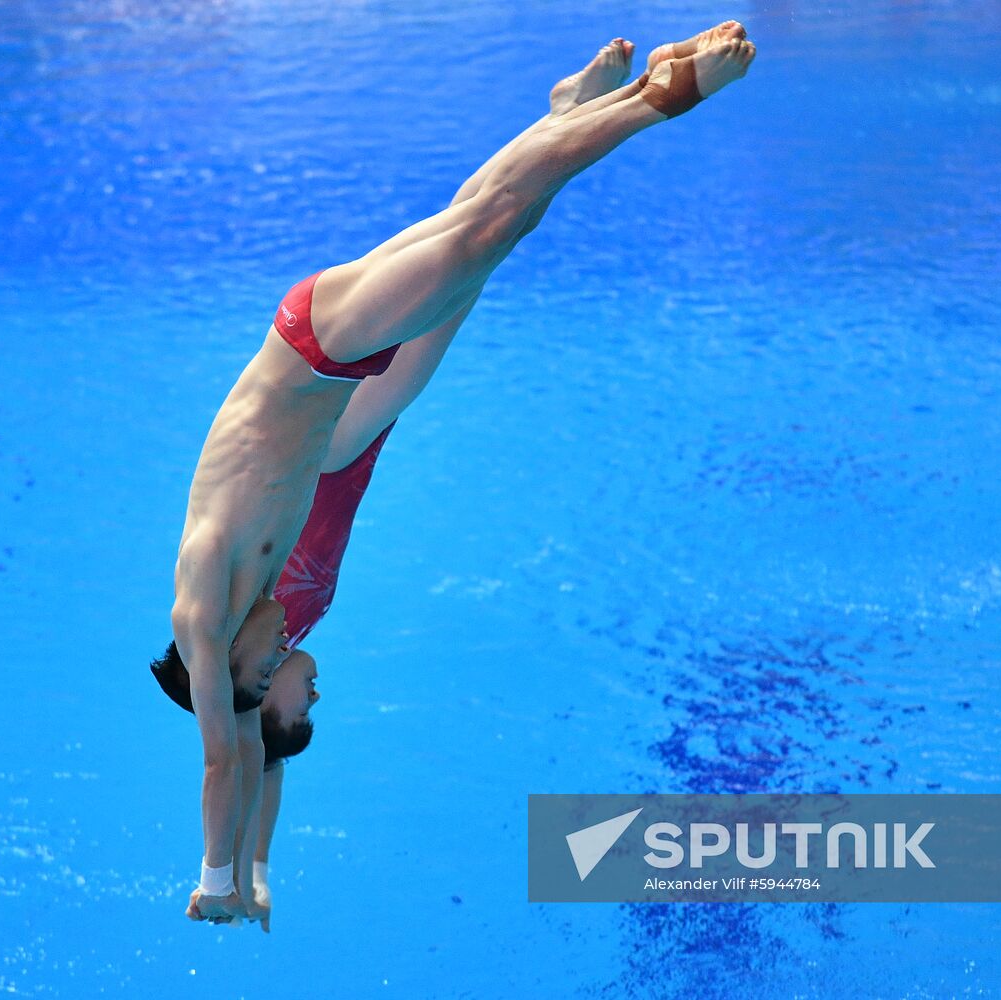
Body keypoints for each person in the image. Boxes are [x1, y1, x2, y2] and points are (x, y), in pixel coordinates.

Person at [149, 22, 757, 929]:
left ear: (228, 658)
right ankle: (576, 111)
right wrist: (258, 871)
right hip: (340, 378)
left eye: (267, 662)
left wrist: (219, 877)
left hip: (314, 347)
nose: (291, 657)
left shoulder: (204, 603)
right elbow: (251, 753)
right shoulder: (253, 618)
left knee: (483, 231)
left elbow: (225, 757)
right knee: (484, 229)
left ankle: (652, 100)